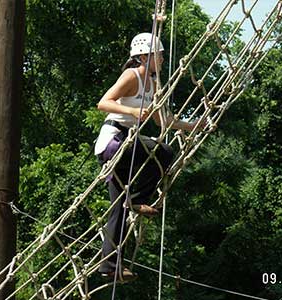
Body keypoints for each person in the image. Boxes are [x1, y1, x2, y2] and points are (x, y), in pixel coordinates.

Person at [95, 32, 202, 282]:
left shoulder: (153, 84)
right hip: (113, 142)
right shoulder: (132, 76)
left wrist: (194, 125)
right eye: (159, 55)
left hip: (126, 144)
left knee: (118, 212)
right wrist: (130, 109)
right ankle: (138, 198)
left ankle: (109, 266)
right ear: (143, 56)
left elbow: (163, 120)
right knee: (162, 152)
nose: (163, 60)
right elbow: (104, 103)